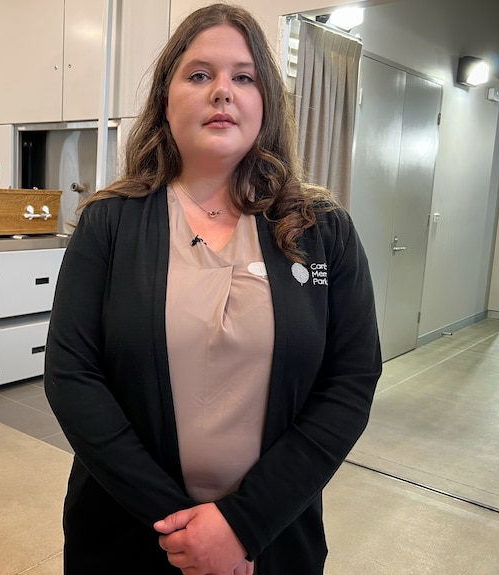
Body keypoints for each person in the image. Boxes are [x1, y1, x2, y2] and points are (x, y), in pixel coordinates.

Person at [43, 3, 382, 574]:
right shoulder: (108, 222)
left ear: (265, 102)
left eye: (243, 77)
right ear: (166, 101)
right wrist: (185, 530)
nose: (222, 91)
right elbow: (72, 376)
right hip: (129, 533)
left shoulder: (323, 230)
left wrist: (244, 526)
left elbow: (350, 382)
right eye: (199, 75)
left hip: (273, 538)